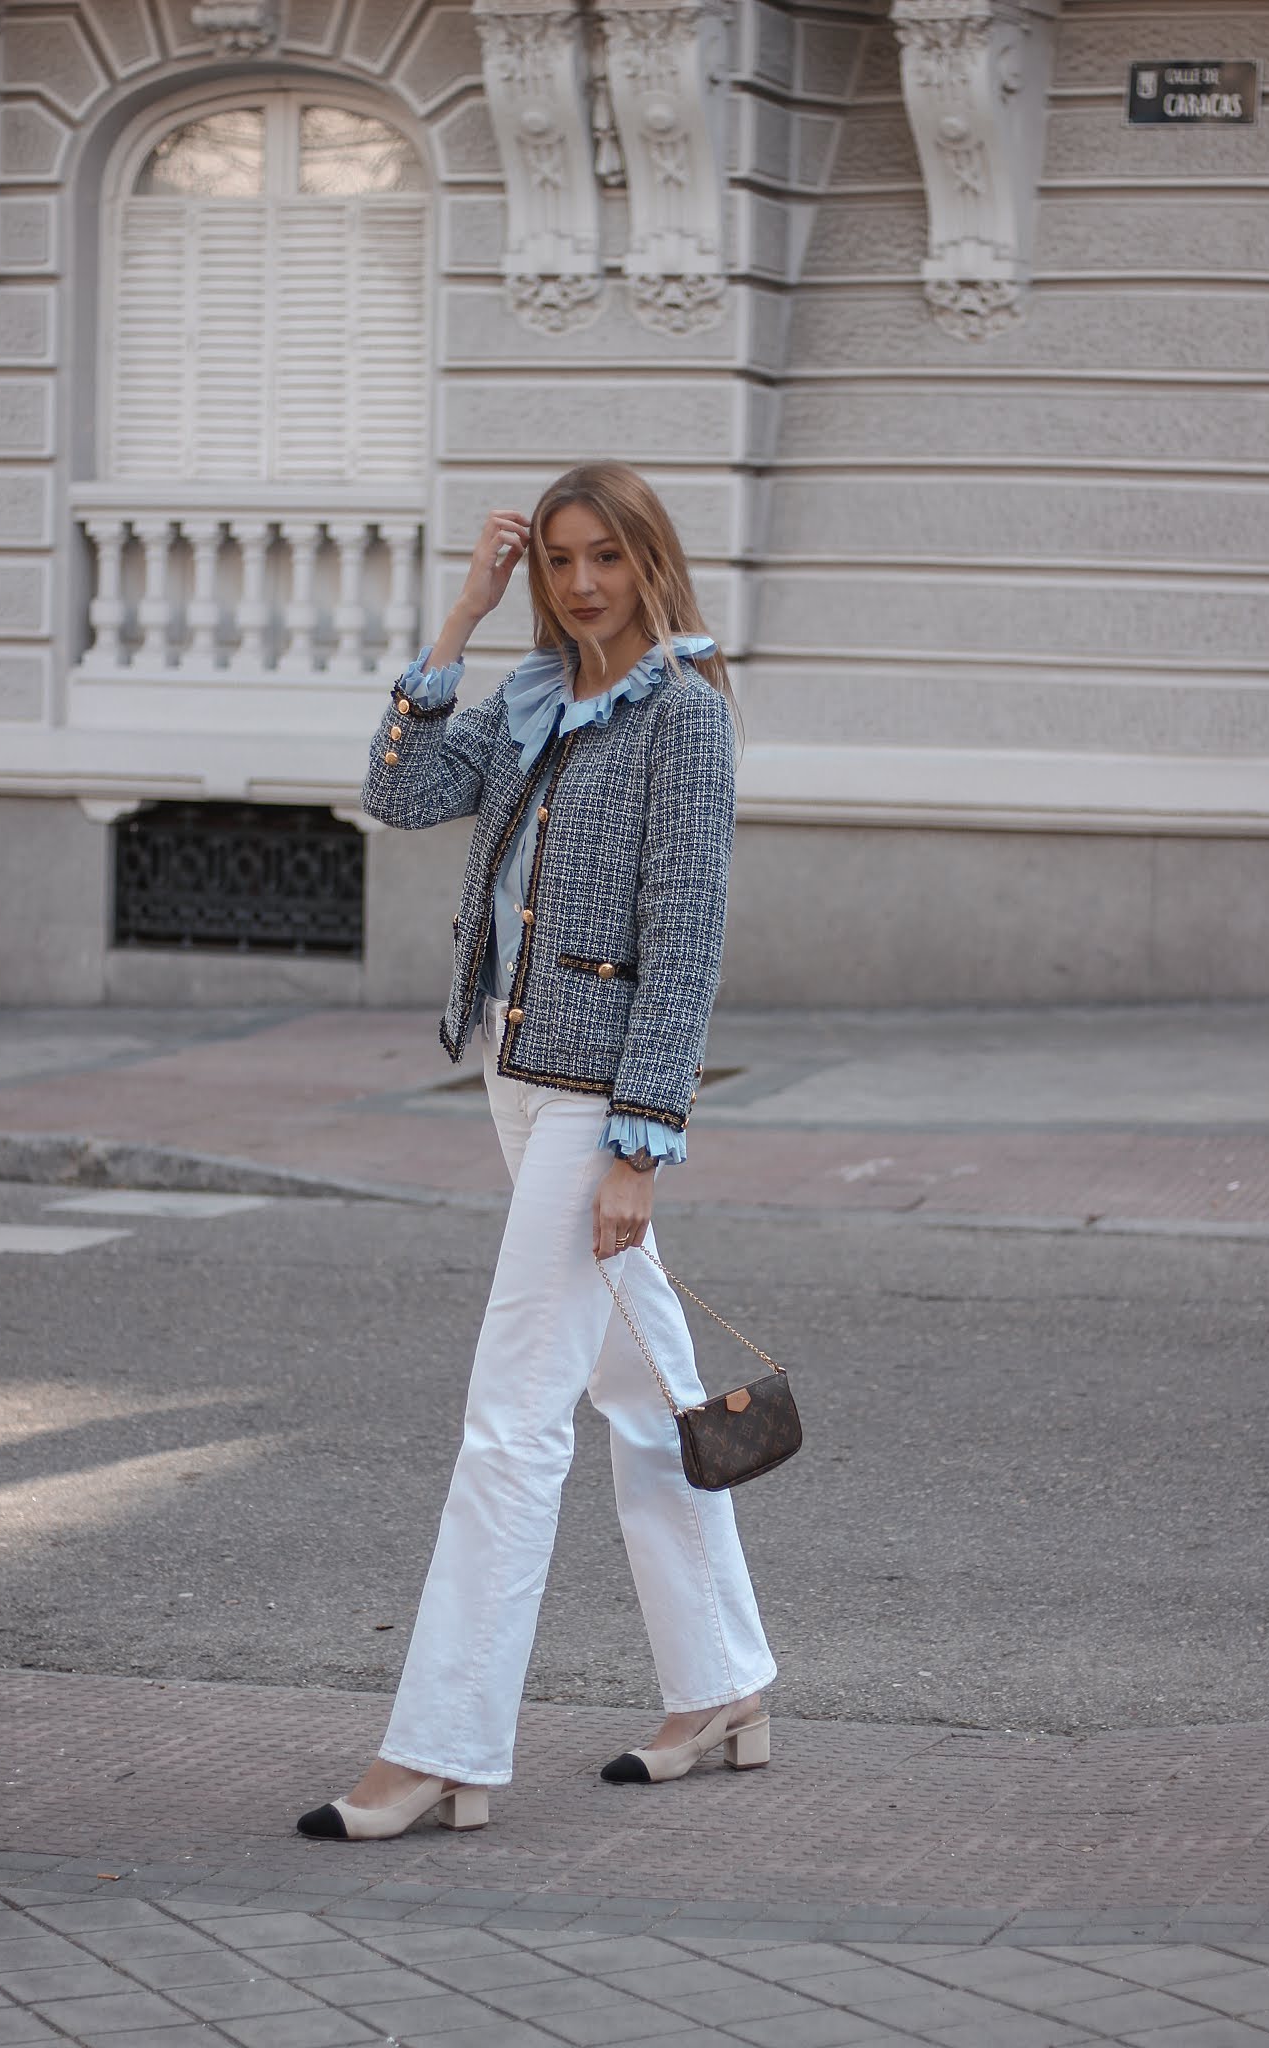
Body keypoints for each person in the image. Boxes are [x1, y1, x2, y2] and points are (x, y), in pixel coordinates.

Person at [297, 462, 776, 1842]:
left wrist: (638, 1148)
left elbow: (684, 935)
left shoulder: (683, 715)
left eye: (605, 559)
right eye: (558, 559)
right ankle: (725, 1683)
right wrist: (459, 617)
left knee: (512, 1417)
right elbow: (397, 794)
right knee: (641, 1390)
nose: (579, 585)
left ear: (650, 563)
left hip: (593, 1101)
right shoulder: (526, 700)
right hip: (514, 1073)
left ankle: (443, 1746)